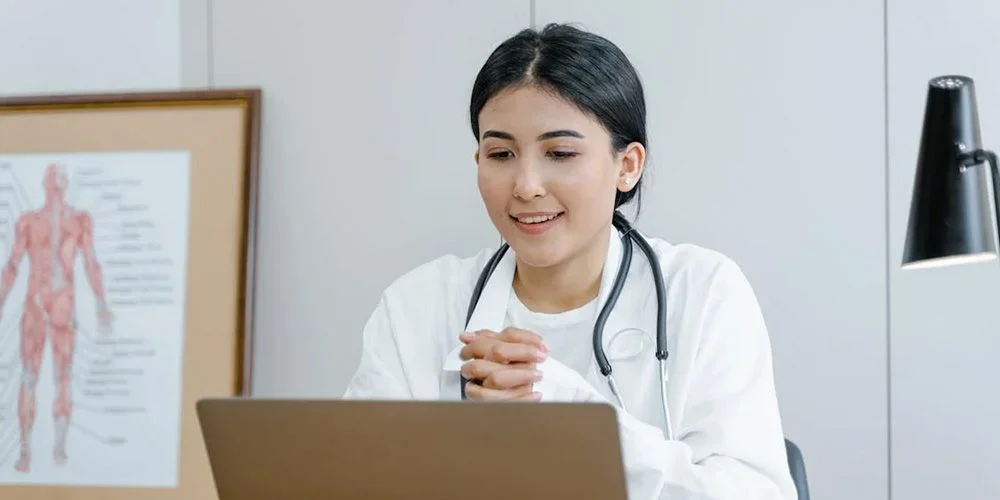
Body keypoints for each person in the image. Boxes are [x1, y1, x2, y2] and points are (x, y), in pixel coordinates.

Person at [343, 23, 797, 500]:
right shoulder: (416, 307)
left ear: (627, 166)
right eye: (501, 153)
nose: (526, 185)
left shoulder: (702, 291)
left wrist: (571, 413)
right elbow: (354, 481)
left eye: (559, 152)